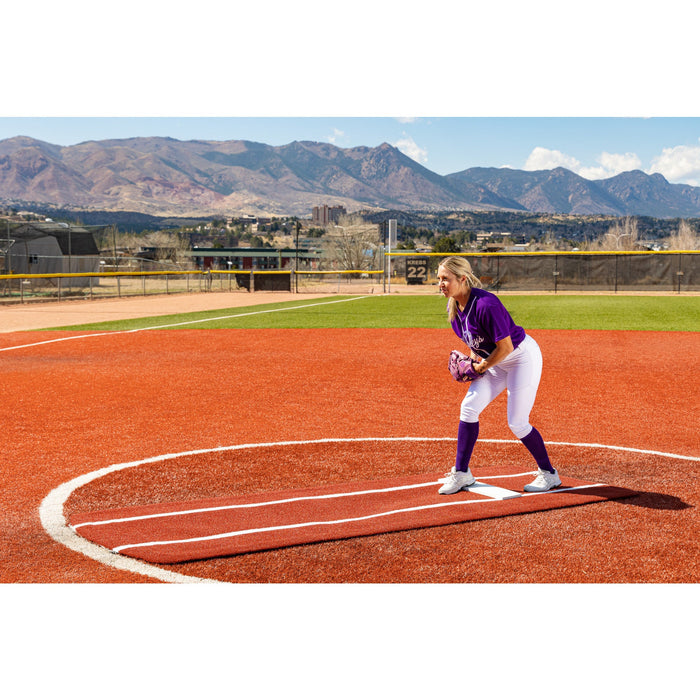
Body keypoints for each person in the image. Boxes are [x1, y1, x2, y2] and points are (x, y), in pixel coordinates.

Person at [436, 256, 561, 495]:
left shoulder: (486, 304)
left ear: (462, 279)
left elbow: (505, 348)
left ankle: (549, 474)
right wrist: (472, 361)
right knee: (468, 409)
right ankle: (462, 473)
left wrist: (480, 368)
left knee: (517, 422)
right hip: (494, 361)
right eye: (439, 279)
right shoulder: (455, 308)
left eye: (446, 279)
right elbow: (477, 345)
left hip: (520, 359)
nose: (441, 284)